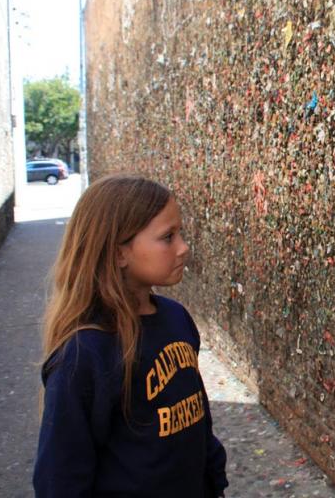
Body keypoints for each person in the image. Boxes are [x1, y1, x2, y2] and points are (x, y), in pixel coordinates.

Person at [33, 174, 228, 497]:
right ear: (119, 252)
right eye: (168, 237)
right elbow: (60, 477)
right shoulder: (85, 355)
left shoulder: (176, 318)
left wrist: (214, 479)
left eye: (180, 233)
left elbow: (197, 417)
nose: (183, 248)